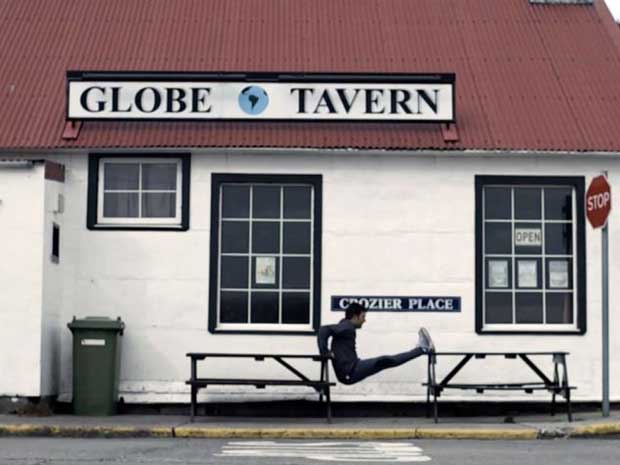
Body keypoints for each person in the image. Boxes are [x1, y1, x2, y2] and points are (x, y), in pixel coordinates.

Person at [317, 302, 435, 385]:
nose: (364, 320)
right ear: (355, 316)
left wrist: (326, 351)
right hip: (350, 371)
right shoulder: (347, 326)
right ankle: (422, 349)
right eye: (363, 316)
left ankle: (421, 349)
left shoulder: (345, 326)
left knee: (385, 361)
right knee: (385, 361)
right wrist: (324, 351)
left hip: (354, 367)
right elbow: (323, 329)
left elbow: (327, 331)